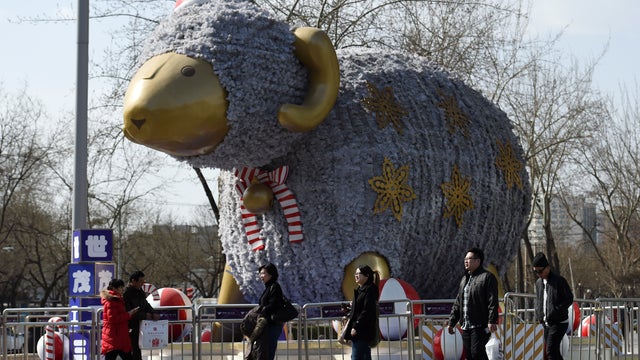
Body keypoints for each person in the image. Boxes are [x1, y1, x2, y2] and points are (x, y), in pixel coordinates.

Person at [448, 247, 499, 360]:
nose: (466, 261)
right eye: (465, 259)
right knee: (470, 356)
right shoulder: (464, 280)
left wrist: (492, 320)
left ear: (478, 261)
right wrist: (452, 322)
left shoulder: (487, 277)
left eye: (469, 258)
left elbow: (493, 301)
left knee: (477, 354)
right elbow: (458, 302)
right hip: (466, 326)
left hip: (480, 325)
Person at [533, 252, 574, 360]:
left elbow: (569, 299)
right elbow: (539, 301)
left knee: (550, 351)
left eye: (540, 271)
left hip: (559, 322)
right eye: (536, 271)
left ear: (548, 268)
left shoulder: (559, 281)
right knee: (552, 352)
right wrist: (539, 315)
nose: (538, 274)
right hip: (546, 323)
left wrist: (556, 310)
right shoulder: (538, 283)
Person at [339, 264, 380, 360]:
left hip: (363, 330)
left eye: (358, 274)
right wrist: (349, 307)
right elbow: (360, 307)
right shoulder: (361, 289)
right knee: (364, 356)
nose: (356, 276)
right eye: (355, 274)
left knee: (356, 356)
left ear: (367, 276)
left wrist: (356, 326)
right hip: (361, 330)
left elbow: (367, 310)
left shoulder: (370, 290)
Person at [123, 270, 159, 360]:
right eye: (140, 281)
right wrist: (144, 316)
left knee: (137, 349)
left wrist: (153, 312)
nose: (142, 283)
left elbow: (145, 304)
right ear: (133, 281)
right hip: (131, 326)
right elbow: (129, 312)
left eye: (143, 281)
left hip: (141, 325)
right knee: (133, 350)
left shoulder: (140, 292)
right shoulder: (126, 294)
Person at [100, 279, 138, 360]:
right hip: (115, 336)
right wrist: (129, 314)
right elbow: (113, 319)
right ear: (114, 288)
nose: (122, 289)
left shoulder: (115, 300)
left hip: (116, 335)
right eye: (121, 287)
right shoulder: (112, 301)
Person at [256, 263, 285, 360]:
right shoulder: (268, 287)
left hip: (272, 324)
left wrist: (261, 310)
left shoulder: (275, 287)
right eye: (260, 273)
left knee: (268, 352)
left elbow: (273, 304)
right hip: (267, 324)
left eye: (263, 273)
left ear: (271, 274)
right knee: (264, 352)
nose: (261, 276)